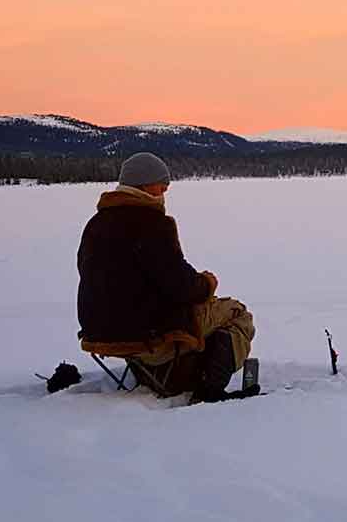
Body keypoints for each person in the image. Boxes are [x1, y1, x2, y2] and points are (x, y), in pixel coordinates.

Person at [76, 152, 256, 402]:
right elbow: (181, 286)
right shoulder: (152, 224)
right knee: (237, 313)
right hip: (148, 333)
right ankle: (208, 390)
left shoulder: (96, 224)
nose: (165, 189)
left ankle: (165, 373)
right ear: (143, 185)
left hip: (102, 331)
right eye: (161, 183)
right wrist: (206, 283)